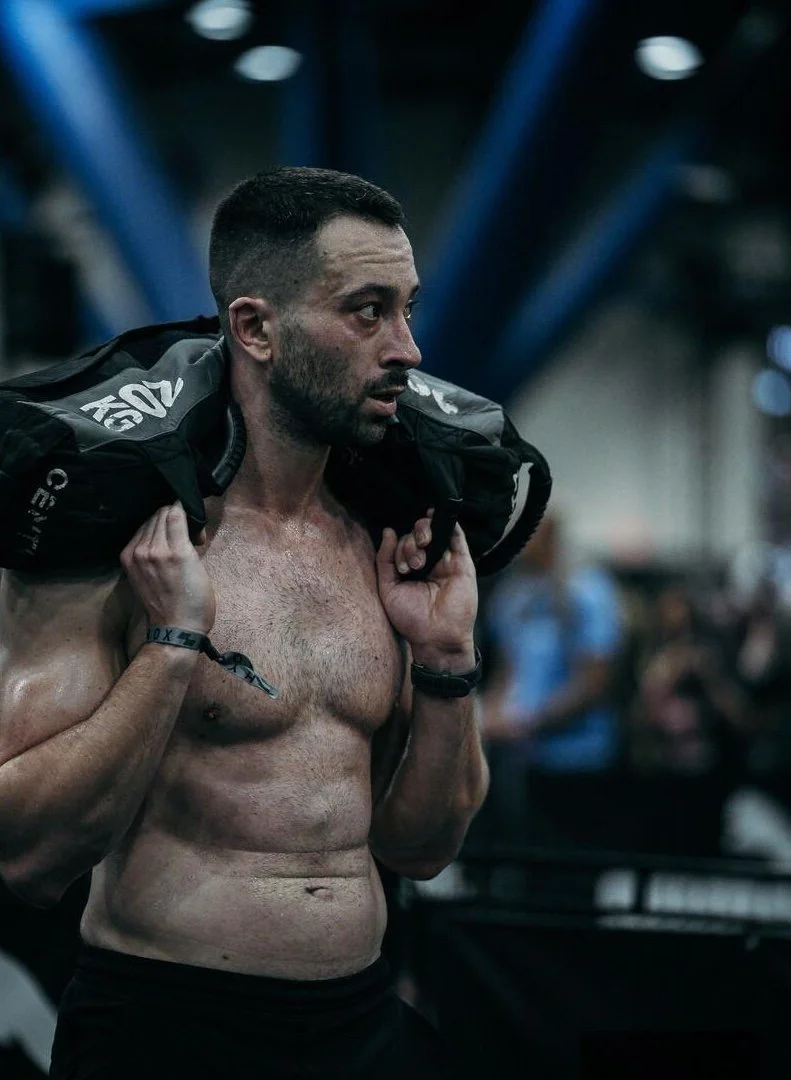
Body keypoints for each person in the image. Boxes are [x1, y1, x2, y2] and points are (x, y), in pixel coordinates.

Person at [0, 167, 489, 1079]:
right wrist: (174, 645)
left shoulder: (387, 549)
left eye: (407, 310)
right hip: (167, 1028)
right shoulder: (120, 546)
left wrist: (446, 659)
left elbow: (421, 851)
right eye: (367, 311)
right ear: (256, 328)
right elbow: (27, 852)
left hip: (361, 1021)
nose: (408, 350)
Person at [477, 512, 622, 850]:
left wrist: (530, 721)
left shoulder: (589, 591)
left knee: (572, 869)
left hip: (578, 763)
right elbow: (507, 670)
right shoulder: (513, 595)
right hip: (521, 761)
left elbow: (595, 682)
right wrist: (488, 718)